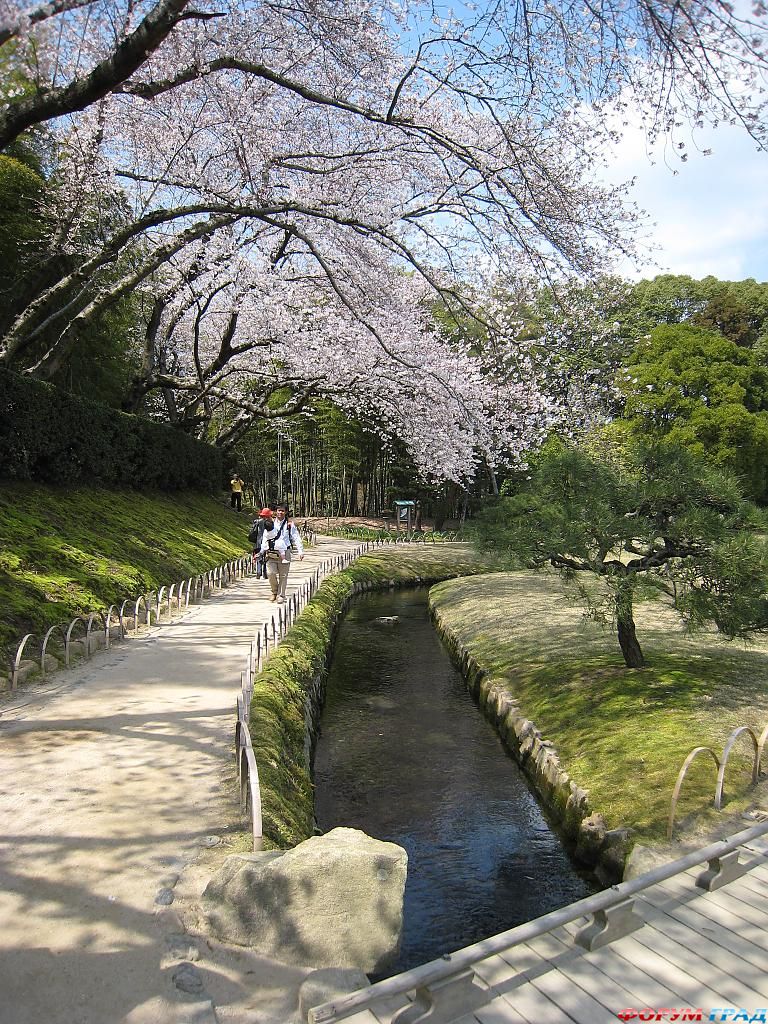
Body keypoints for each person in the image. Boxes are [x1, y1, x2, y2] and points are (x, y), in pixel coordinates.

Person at [260, 504, 304, 603]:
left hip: (285, 552)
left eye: (282, 511)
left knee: (283, 575)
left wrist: (300, 551)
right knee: (270, 573)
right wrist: (262, 551)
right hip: (271, 552)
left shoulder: (289, 524)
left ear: (286, 512)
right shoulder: (270, 523)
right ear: (275, 512)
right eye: (279, 510)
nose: (280, 512)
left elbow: (296, 537)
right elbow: (265, 538)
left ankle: (281, 595)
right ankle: (274, 592)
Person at [249, 508, 274, 578]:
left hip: (258, 541)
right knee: (266, 558)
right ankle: (264, 573)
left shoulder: (256, 522)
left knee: (258, 557)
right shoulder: (268, 523)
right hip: (266, 542)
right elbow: (272, 530)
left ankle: (258, 572)